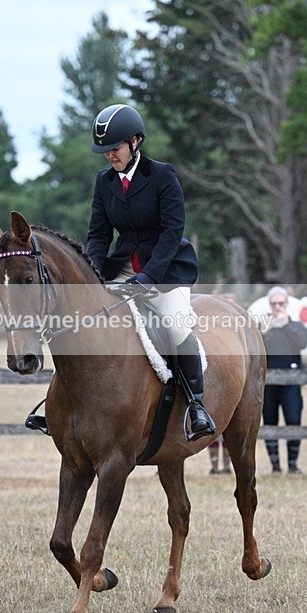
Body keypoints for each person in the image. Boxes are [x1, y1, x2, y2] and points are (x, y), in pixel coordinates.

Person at [86, 103, 215, 441]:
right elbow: (99, 234)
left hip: (166, 268)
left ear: (135, 141)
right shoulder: (104, 182)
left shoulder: (161, 175)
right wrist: (94, 273)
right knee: (85, 321)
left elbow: (173, 230)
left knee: (174, 323)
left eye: (114, 148)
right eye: (105, 151)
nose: (109, 156)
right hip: (123, 267)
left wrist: (149, 278)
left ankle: (196, 405)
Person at [260, 286, 307, 474]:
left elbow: (303, 342)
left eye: (281, 303)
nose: (277, 307)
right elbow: (256, 349)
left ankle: (293, 464)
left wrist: (287, 324)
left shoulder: (296, 325)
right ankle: (275, 465)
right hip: (268, 384)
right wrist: (265, 332)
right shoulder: (263, 325)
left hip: (291, 383)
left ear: (287, 304)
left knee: (293, 420)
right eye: (274, 304)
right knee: (270, 422)